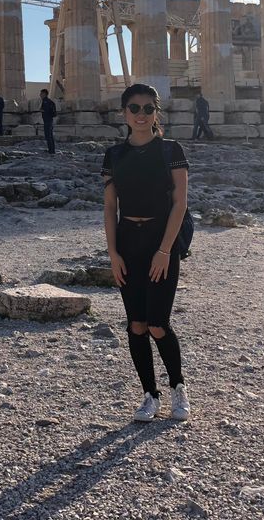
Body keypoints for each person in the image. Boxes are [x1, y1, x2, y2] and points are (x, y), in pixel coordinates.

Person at [102, 83, 190, 422]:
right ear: (124, 113)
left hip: (160, 240)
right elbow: (110, 207)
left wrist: (165, 250)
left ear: (156, 113)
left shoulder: (170, 149)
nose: (141, 115)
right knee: (135, 325)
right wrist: (113, 252)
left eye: (148, 108)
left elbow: (180, 202)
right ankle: (149, 395)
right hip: (128, 242)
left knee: (157, 323)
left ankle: (178, 387)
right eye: (134, 108)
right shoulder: (114, 155)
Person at [39, 88, 57, 154]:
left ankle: (51, 151)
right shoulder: (47, 101)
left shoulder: (46, 101)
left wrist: (42, 110)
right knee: (50, 136)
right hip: (49, 120)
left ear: (44, 94)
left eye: (41, 94)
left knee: (48, 136)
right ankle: (52, 150)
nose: (40, 95)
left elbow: (46, 111)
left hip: (48, 120)